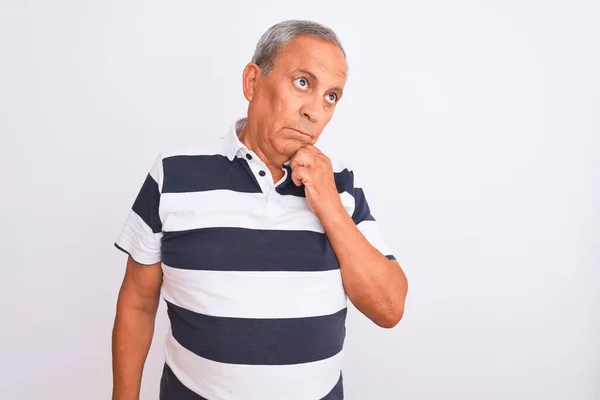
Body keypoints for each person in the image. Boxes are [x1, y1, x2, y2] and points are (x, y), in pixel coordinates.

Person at [112, 19, 409, 400]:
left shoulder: (342, 191)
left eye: (331, 97)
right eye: (303, 82)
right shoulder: (174, 175)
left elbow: (389, 308)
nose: (315, 112)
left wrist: (329, 206)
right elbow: (137, 303)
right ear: (253, 82)